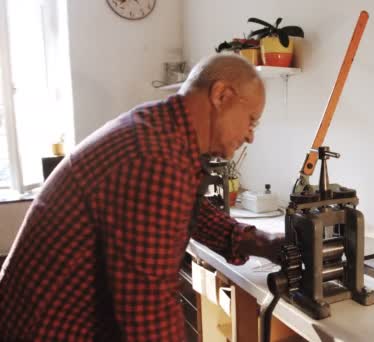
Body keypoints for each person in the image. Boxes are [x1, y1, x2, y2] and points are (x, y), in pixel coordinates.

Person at [0, 54, 284, 341]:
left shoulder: (161, 130)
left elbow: (191, 213)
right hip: (49, 329)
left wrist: (264, 243)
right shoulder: (156, 157)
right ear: (221, 95)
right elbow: (149, 311)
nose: (250, 136)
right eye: (251, 121)